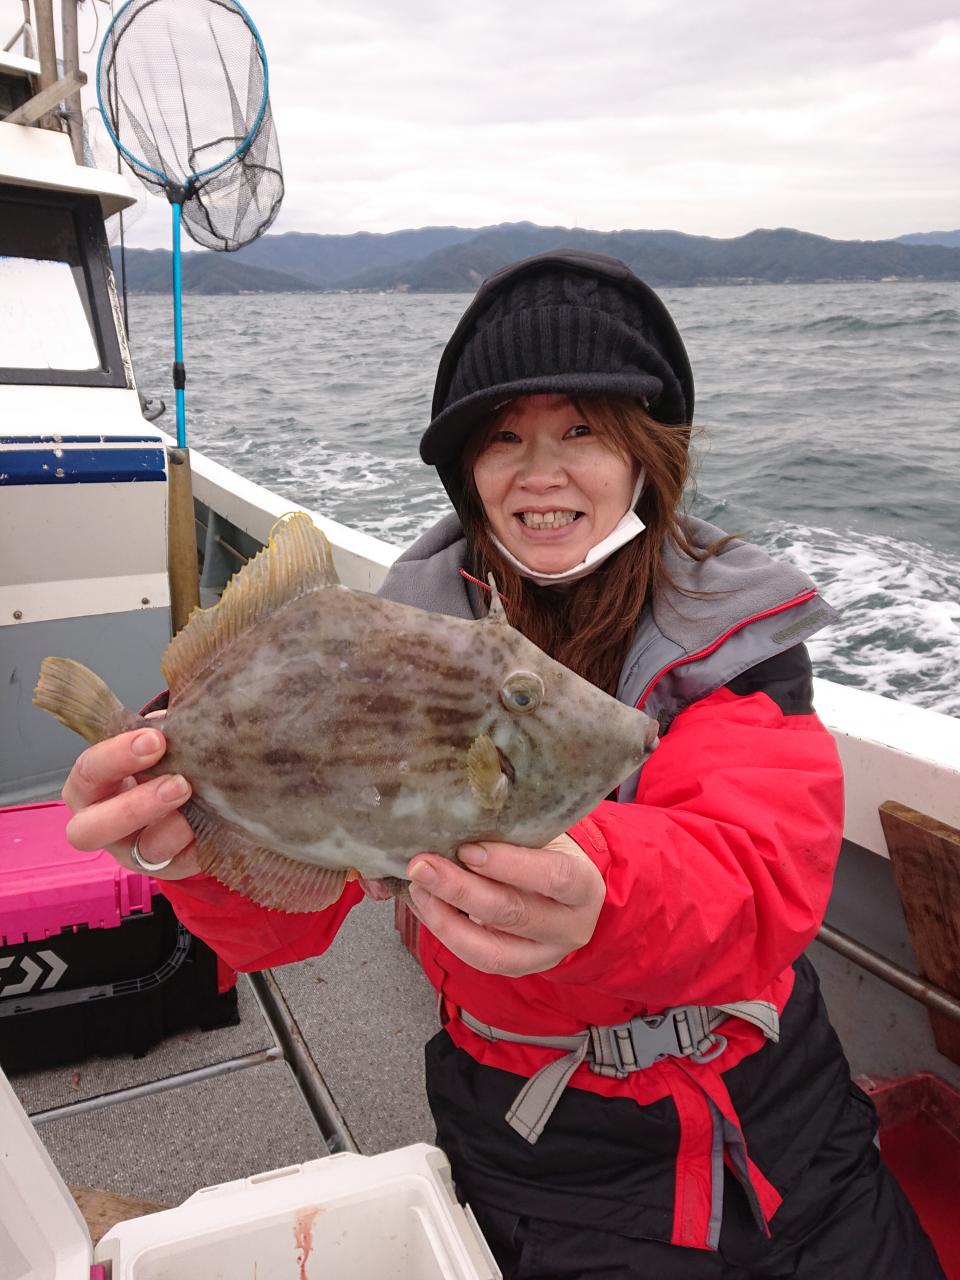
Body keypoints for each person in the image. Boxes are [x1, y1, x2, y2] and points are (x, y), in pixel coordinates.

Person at [60, 251, 945, 1279]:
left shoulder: (728, 627)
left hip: (782, 1105)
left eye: (582, 430)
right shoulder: (395, 635)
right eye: (503, 438)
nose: (540, 472)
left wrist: (603, 893)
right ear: (467, 471)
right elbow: (293, 919)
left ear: (647, 452)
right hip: (541, 1139)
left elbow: (755, 872)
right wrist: (182, 847)